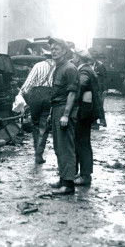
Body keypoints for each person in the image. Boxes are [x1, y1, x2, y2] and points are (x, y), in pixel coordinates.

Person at [48, 37, 79, 195]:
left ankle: (68, 184)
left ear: (65, 51)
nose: (53, 51)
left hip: (64, 110)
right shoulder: (58, 67)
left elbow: (72, 94)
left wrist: (66, 115)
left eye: (57, 49)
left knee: (66, 147)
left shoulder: (70, 68)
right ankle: (62, 178)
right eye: (52, 49)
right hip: (56, 109)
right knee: (58, 146)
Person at [71, 49, 106, 186]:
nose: (72, 58)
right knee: (82, 142)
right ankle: (83, 173)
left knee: (82, 143)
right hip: (88, 111)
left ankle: (85, 176)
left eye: (74, 56)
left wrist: (73, 93)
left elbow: (82, 84)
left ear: (78, 58)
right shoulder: (88, 69)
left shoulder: (84, 71)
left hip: (84, 112)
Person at [19, 50, 55, 164]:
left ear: (44, 56)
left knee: (35, 124)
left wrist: (21, 94)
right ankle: (40, 153)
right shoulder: (58, 67)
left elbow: (28, 83)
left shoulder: (38, 65)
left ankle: (36, 153)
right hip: (50, 96)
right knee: (44, 125)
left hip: (36, 96)